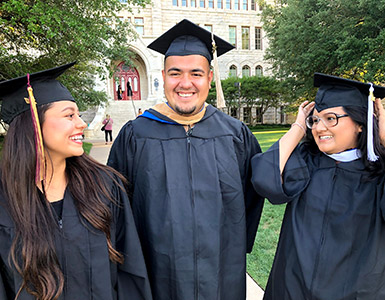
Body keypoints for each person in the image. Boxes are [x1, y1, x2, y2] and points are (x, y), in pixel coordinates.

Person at [107, 19, 264, 300]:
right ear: (164, 76)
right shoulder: (135, 135)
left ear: (210, 78)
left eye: (196, 73)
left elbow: (252, 198)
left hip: (220, 270)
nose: (185, 83)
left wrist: (233, 242)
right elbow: (115, 205)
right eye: (175, 73)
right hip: (156, 271)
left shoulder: (236, 135)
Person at [0, 63, 152, 300]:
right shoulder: (4, 201)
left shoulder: (104, 186)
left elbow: (130, 274)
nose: (81, 123)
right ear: (34, 125)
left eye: (79, 115)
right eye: (69, 115)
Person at [251, 73, 385, 300]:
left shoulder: (378, 174)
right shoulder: (306, 161)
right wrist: (298, 127)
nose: (319, 127)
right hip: (292, 287)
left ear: (360, 124)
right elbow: (265, 178)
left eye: (330, 118)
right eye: (315, 119)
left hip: (355, 293)